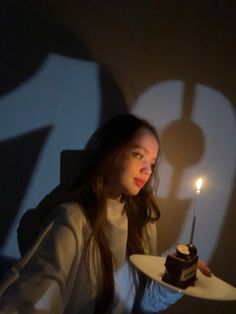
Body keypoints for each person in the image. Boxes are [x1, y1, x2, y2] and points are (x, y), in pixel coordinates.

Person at [0, 114, 211, 313]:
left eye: (152, 163)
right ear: (112, 153)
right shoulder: (73, 218)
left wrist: (175, 279)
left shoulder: (142, 224)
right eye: (138, 155)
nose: (147, 170)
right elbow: (35, 294)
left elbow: (140, 302)